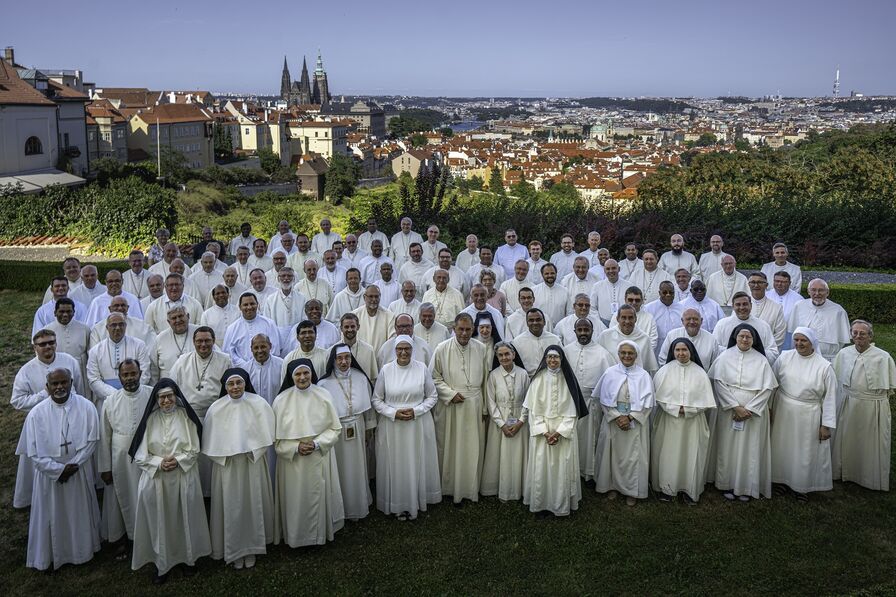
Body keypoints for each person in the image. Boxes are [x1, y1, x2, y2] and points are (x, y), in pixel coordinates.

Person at [130, 379, 210, 584]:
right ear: (156, 399)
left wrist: (178, 460)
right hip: (157, 480)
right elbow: (140, 454)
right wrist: (158, 463)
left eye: (169, 396)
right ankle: (162, 564)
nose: (166, 400)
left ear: (176, 396)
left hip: (183, 476)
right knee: (160, 522)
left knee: (185, 518)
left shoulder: (186, 418)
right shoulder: (150, 420)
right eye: (161, 397)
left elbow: (195, 449)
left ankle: (188, 560)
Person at [20, 369, 101, 571]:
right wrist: (57, 470)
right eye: (54, 384)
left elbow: (92, 440)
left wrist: (74, 465)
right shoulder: (36, 414)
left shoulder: (86, 407)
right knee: (50, 515)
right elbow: (34, 453)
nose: (59, 387)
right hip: (49, 477)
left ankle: (82, 552)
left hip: (78, 472)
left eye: (63, 382)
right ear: (47, 387)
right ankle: (50, 556)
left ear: (71, 382)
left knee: (78, 513)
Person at [203, 368, 275, 569]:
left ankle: (252, 547)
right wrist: (227, 453)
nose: (235, 387)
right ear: (225, 387)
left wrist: (252, 450)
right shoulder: (216, 409)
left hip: (252, 463)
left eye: (239, 383)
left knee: (254, 504)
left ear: (245, 383)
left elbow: (267, 434)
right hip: (228, 467)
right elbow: (210, 443)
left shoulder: (258, 404)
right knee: (231, 507)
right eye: (231, 384)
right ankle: (234, 550)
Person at [272, 359, 345, 547]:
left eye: (306, 373)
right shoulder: (281, 400)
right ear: (291, 377)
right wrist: (295, 447)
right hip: (293, 463)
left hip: (319, 455)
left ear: (312, 373)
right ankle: (297, 538)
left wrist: (317, 443)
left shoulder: (323, 395)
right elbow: (277, 441)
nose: (302, 377)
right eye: (298, 374)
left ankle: (320, 535)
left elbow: (335, 429)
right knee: (295, 502)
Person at [12, 330, 84, 508]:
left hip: (69, 417)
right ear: (34, 347)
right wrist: (45, 395)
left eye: (51, 342)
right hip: (41, 422)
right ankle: (35, 496)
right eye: (43, 344)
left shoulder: (69, 361)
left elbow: (79, 388)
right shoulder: (26, 370)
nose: (48, 347)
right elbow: (17, 401)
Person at [371, 336, 441, 519]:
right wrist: (393, 413)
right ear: (394, 350)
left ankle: (417, 499)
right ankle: (398, 503)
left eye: (407, 349)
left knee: (416, 461)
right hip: (393, 425)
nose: (403, 352)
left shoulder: (422, 368)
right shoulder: (386, 370)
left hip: (417, 423)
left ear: (412, 349)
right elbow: (376, 399)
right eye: (399, 349)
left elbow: (432, 396)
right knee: (396, 464)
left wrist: (416, 411)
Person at [709, 324, 778, 501]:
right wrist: (735, 406)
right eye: (741, 336)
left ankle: (746, 486)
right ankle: (727, 483)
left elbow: (767, 389)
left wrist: (750, 410)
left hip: (753, 414)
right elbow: (719, 383)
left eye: (748, 337)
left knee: (750, 449)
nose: (745, 340)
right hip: (728, 411)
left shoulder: (761, 360)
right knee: (727, 448)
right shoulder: (724, 356)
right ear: (735, 337)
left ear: (754, 340)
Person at [770, 327, 836, 500]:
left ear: (812, 343)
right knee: (782, 447)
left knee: (804, 451)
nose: (799, 344)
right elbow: (773, 383)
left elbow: (830, 398)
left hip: (809, 414)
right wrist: (770, 407)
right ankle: (780, 481)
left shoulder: (824, 366)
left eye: (803, 340)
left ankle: (801, 486)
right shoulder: (784, 357)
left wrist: (826, 425)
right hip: (783, 409)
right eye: (796, 340)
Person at [430, 313, 489, 504]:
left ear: (473, 329)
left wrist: (485, 409)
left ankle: (469, 488)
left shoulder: (481, 348)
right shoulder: (441, 348)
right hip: (451, 405)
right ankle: (449, 488)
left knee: (472, 449)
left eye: (468, 329)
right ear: (453, 329)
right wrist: (449, 394)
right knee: (450, 447)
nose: (464, 333)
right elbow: (433, 378)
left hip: (474, 405)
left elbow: (486, 382)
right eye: (460, 329)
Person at [832, 320, 896, 491]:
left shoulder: (883, 357)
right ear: (851, 335)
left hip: (873, 406)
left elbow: (889, 387)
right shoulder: (844, 353)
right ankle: (843, 472)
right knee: (846, 439)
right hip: (849, 403)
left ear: (870, 335)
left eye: (862, 333)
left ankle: (870, 478)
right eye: (855, 333)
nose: (858, 336)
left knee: (870, 445)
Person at [524, 346, 588, 515]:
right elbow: (533, 411)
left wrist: (558, 433)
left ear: (562, 359)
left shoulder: (569, 380)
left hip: (563, 433)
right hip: (542, 433)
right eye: (549, 357)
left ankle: (561, 504)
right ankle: (541, 504)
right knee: (541, 468)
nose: (552, 360)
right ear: (545, 359)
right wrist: (545, 432)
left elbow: (573, 413)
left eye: (556, 357)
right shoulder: (538, 379)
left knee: (562, 469)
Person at [650, 338, 715, 503]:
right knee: (667, 455)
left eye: (684, 350)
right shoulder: (664, 371)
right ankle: (666, 488)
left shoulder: (700, 373)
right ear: (673, 352)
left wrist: (687, 410)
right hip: (668, 422)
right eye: (677, 350)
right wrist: (674, 409)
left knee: (690, 455)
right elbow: (658, 397)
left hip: (692, 424)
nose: (681, 353)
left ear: (691, 351)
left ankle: (689, 489)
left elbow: (705, 401)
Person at [318, 345, 376, 521]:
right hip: (336, 430)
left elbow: (369, 410)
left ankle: (358, 505)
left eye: (347, 358)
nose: (344, 362)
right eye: (340, 358)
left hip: (358, 426)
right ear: (333, 360)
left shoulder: (360, 378)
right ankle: (340, 508)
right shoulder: (323, 384)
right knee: (340, 469)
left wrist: (368, 430)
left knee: (358, 467)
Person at [593, 341, 655, 506]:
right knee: (612, 455)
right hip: (613, 421)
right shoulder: (610, 373)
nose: (626, 356)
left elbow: (648, 403)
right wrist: (616, 416)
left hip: (635, 423)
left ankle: (631, 490)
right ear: (618, 354)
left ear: (636, 355)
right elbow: (604, 399)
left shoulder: (643, 375)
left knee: (632, 458)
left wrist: (630, 417)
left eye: (630, 353)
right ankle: (611, 486)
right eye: (623, 353)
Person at [98, 360, 149, 555]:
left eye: (133, 374)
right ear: (119, 377)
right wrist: (105, 467)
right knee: (122, 495)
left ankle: (148, 534)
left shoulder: (151, 393)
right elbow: (105, 436)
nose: (130, 378)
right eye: (125, 375)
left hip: (147, 453)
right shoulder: (111, 400)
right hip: (120, 458)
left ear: (140, 373)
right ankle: (122, 537)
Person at [564, 319, 614, 482]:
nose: (583, 333)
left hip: (592, 404)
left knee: (590, 438)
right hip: (570, 403)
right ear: (575, 331)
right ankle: (571, 471)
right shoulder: (566, 351)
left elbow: (609, 381)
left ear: (592, 331)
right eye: (580, 330)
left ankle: (589, 473)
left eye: (587, 329)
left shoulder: (602, 353)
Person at [481, 342, 530, 501]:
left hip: (520, 421)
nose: (504, 357)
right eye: (500, 355)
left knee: (518, 456)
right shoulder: (493, 375)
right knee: (500, 455)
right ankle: (499, 489)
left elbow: (529, 401)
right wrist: (501, 424)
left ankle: (518, 489)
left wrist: (521, 421)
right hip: (499, 421)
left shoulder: (523, 374)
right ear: (497, 357)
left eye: (507, 354)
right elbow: (490, 402)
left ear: (513, 354)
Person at [86, 313, 151, 411]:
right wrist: (116, 395)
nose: (117, 328)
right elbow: (93, 380)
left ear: (125, 326)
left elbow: (145, 374)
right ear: (107, 327)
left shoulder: (139, 345)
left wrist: (129, 393)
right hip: (107, 400)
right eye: (113, 325)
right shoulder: (95, 351)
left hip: (135, 397)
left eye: (121, 324)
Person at [787, 279, 850, 362]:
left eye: (821, 290)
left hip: (828, 359)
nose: (817, 293)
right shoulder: (799, 306)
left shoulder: (838, 311)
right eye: (813, 290)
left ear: (827, 292)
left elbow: (842, 340)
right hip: (803, 357)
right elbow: (793, 332)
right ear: (808, 292)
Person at [713, 292, 780, 364]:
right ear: (733, 306)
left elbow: (773, 352)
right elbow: (714, 349)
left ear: (751, 305)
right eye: (738, 305)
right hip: (729, 366)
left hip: (755, 367)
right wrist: (737, 351)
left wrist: (752, 352)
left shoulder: (763, 326)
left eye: (745, 304)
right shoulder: (721, 325)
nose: (741, 307)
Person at [597, 305, 659, 374]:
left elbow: (650, 368)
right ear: (617, 319)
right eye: (623, 318)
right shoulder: (605, 336)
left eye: (630, 318)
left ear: (635, 319)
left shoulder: (644, 338)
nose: (627, 321)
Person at [223, 293, 281, 363]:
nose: (249, 307)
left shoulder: (269, 324)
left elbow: (275, 349)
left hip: (267, 366)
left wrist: (262, 361)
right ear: (240, 307)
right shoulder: (232, 328)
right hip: (242, 368)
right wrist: (243, 364)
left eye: (252, 304)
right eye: (245, 305)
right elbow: (229, 352)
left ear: (257, 305)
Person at [151, 307, 196, 382]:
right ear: (169, 322)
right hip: (169, 386)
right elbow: (153, 368)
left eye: (181, 316)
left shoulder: (199, 333)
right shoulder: (160, 338)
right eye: (174, 318)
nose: (178, 320)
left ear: (188, 316)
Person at [512, 308, 561, 375]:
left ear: (544, 322)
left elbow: (561, 362)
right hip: (528, 380)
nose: (535, 323)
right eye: (531, 320)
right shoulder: (517, 342)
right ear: (527, 323)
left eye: (538, 320)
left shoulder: (555, 340)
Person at [644, 281, 686, 356]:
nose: (668, 295)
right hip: (656, 347)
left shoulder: (682, 308)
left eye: (671, 292)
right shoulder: (649, 308)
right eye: (664, 292)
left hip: (676, 347)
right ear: (659, 293)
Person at [747, 272, 787, 350]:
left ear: (766, 285)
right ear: (749, 284)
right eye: (753, 282)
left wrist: (763, 350)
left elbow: (779, 335)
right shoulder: (741, 305)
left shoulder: (776, 308)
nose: (756, 285)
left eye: (760, 282)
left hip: (766, 352)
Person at [352, 285, 395, 352]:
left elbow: (391, 341)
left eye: (376, 296)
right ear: (364, 297)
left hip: (382, 359)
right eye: (371, 296)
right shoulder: (355, 315)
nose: (374, 299)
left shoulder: (389, 316)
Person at [590, 259, 626, 326]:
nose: (611, 271)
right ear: (604, 270)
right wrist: (599, 323)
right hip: (602, 323)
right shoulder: (597, 286)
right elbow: (592, 307)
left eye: (613, 268)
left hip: (623, 323)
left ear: (619, 269)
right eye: (608, 269)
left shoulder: (628, 286)